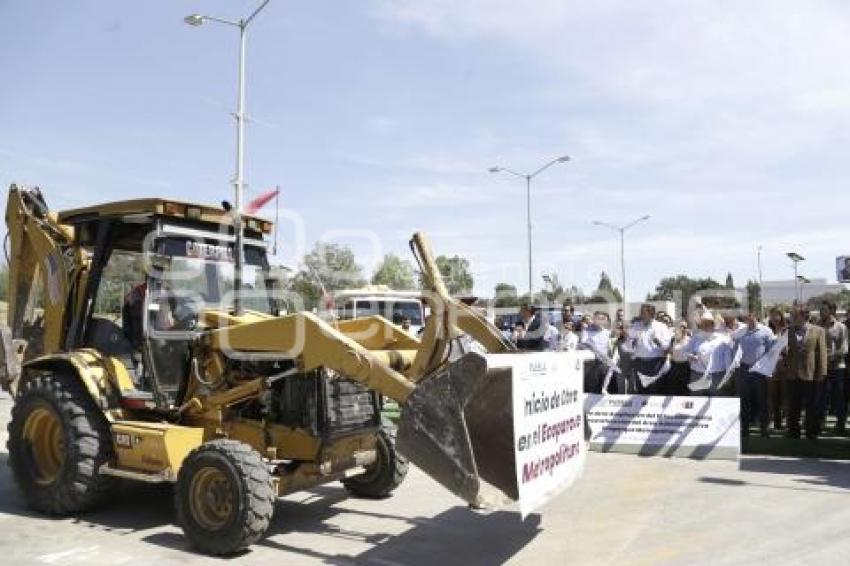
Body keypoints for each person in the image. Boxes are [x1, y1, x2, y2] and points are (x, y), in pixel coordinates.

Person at [785, 305, 828, 439]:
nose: (792, 317)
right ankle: (793, 431)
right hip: (793, 374)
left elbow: (822, 353)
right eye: (792, 315)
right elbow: (783, 350)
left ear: (804, 316)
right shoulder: (788, 331)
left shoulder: (818, 330)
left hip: (811, 373)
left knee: (811, 405)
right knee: (793, 405)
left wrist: (822, 372)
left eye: (795, 315)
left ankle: (811, 432)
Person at [734, 310, 776, 437]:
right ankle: (744, 428)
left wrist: (770, 370)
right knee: (745, 400)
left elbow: (772, 352)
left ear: (755, 315)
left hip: (760, 370)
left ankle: (764, 428)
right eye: (746, 316)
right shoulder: (740, 332)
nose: (748, 317)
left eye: (750, 315)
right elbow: (735, 348)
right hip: (744, 369)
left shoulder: (766, 331)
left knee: (762, 400)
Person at [677, 309, 736, 396]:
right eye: (703, 323)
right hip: (697, 375)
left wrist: (727, 377)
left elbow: (728, 359)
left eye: (708, 323)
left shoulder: (723, 338)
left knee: (716, 402)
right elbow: (684, 352)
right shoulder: (695, 338)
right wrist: (689, 356)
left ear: (713, 324)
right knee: (696, 402)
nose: (705, 326)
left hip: (716, 376)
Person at [626, 303, 672, 395]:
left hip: (655, 364)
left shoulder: (661, 327)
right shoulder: (636, 326)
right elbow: (627, 344)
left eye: (643, 313)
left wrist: (657, 341)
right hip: (639, 363)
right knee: (641, 390)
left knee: (654, 391)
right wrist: (633, 342)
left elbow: (667, 346)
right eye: (641, 313)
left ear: (651, 314)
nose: (641, 315)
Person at [819, 302, 848, 435]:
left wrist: (830, 356)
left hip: (837, 368)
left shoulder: (841, 327)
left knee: (838, 397)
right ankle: (820, 422)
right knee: (821, 396)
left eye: (823, 310)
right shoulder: (817, 326)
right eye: (820, 310)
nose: (821, 312)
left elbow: (844, 349)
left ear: (831, 311)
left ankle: (840, 424)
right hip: (821, 368)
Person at [579, 311, 614, 394]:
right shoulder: (586, 331)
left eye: (602, 319)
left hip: (604, 364)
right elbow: (584, 345)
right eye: (598, 318)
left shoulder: (607, 333)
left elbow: (610, 348)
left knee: (601, 389)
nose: (600, 321)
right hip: (591, 365)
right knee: (591, 389)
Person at [669, 320, 692, 396]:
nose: (682, 329)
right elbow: (670, 352)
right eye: (680, 327)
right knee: (674, 389)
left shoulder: (690, 339)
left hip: (685, 367)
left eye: (684, 327)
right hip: (675, 366)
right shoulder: (673, 339)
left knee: (685, 389)